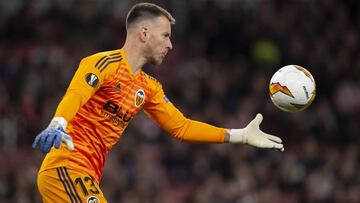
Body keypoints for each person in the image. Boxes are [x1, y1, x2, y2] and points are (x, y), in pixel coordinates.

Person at [32, 2, 284, 203]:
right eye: (165, 36)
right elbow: (76, 93)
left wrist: (239, 135)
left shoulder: (148, 87)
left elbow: (181, 127)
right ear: (144, 33)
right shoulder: (104, 63)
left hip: (87, 174)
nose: (170, 44)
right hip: (65, 168)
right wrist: (58, 122)